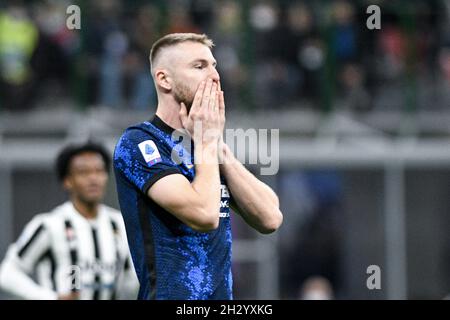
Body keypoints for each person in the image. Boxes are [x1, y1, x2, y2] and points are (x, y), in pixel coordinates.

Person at [113, 33, 283, 300]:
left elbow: (270, 217)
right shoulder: (140, 143)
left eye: (214, 65)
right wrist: (206, 144)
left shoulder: (206, 147)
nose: (215, 76)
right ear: (164, 79)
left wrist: (216, 146)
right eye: (199, 66)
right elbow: (204, 215)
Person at [0, 142, 139, 300]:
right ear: (67, 181)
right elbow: (7, 273)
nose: (93, 178)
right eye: (83, 172)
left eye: (99, 171)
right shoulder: (49, 225)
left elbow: (132, 279)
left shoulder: (121, 223)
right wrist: (51, 297)